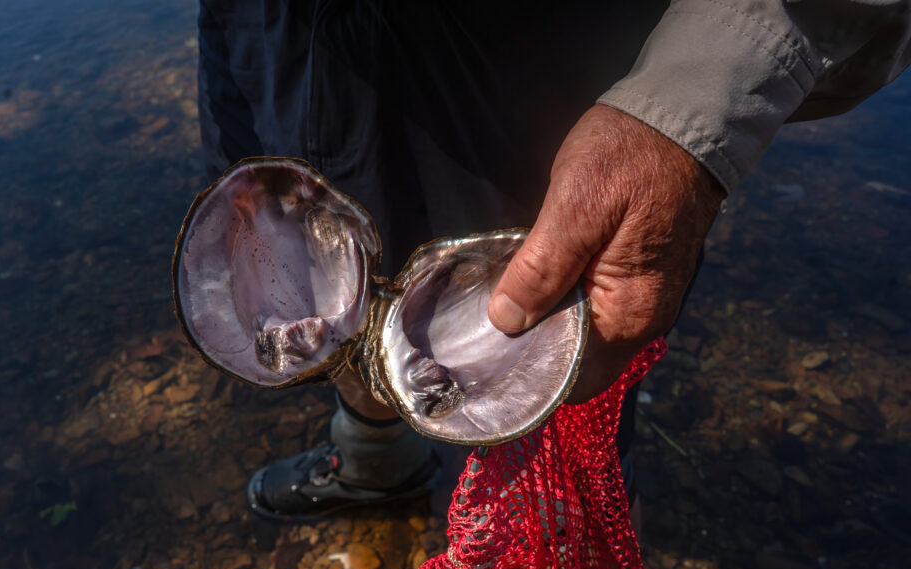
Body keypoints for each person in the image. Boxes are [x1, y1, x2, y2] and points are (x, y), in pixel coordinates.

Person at [196, 1, 911, 522]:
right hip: (269, 29)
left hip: (533, 53)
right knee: (322, 300)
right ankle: (377, 462)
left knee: (552, 342)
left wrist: (686, 108)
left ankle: (544, 546)